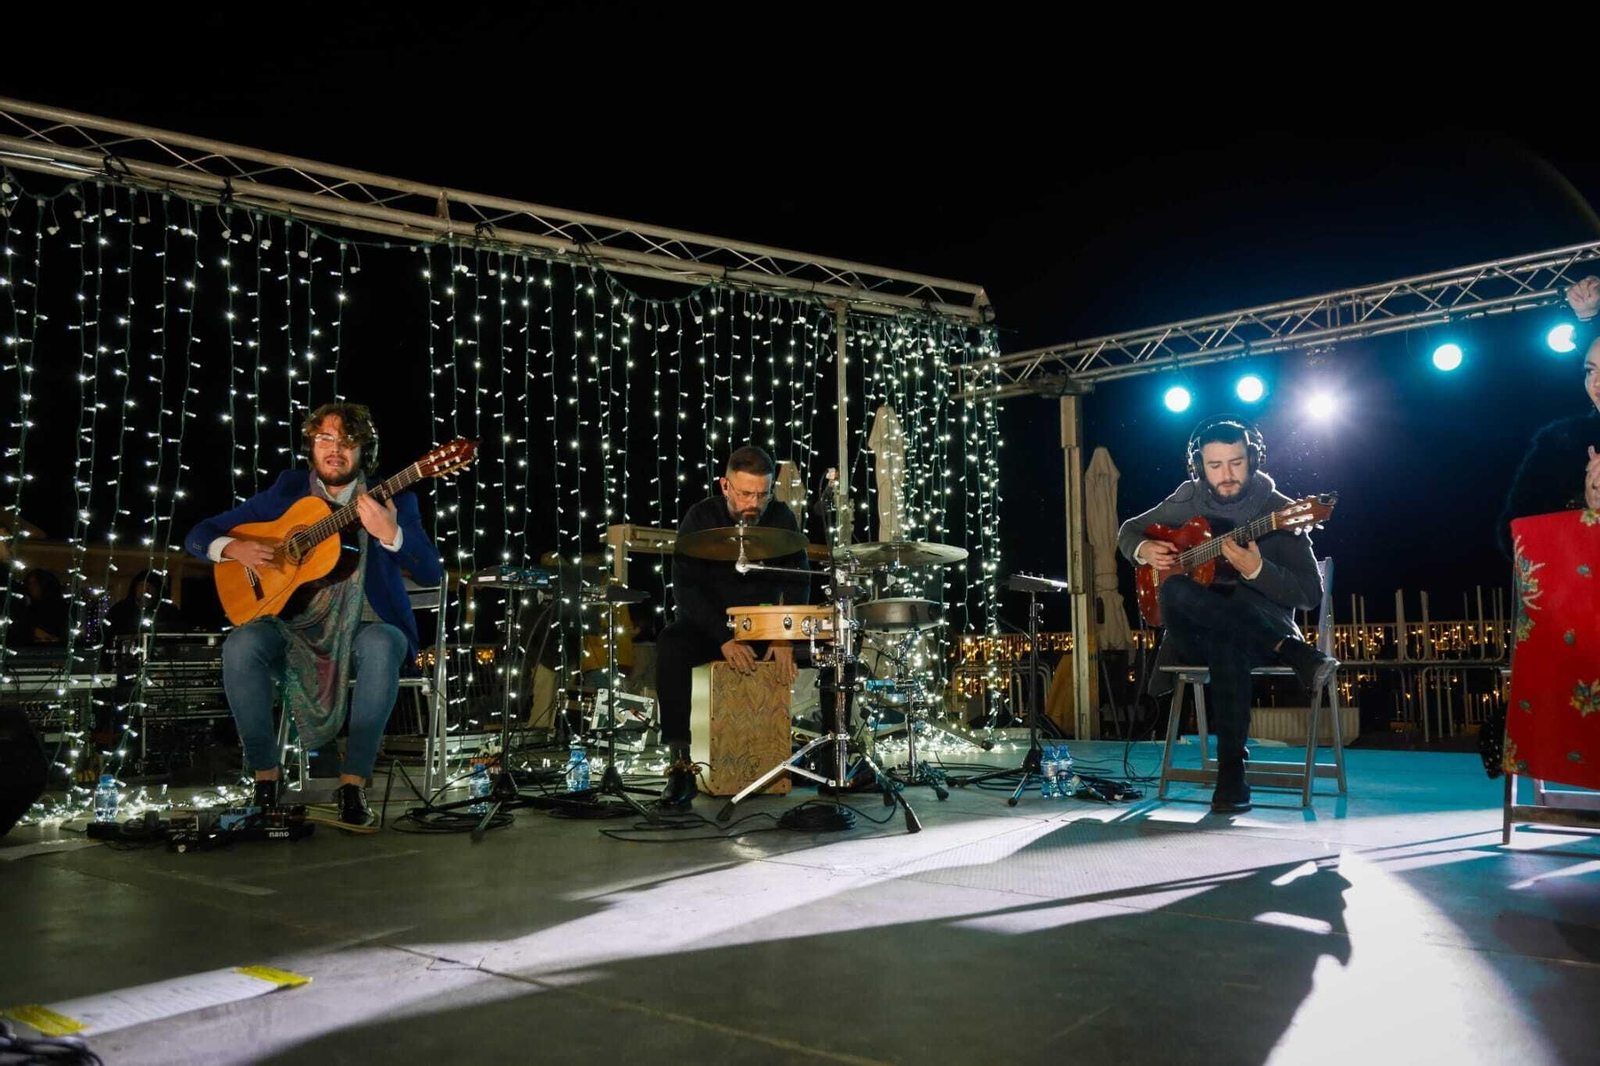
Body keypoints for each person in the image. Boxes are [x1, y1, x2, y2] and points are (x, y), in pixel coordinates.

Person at [183, 402, 442, 829]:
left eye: (348, 442)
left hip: (365, 623)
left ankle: (353, 782)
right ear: (311, 446)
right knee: (241, 644)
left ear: (364, 451)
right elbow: (199, 535)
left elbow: (431, 571)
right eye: (325, 439)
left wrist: (390, 534)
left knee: (384, 645)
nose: (335, 450)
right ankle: (265, 776)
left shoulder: (395, 497)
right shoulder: (286, 490)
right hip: (291, 622)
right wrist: (233, 548)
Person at [1118, 416, 1336, 813]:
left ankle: (1231, 777)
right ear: (1198, 465)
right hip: (1189, 636)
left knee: (1227, 639)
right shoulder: (1187, 498)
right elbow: (1129, 530)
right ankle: (1292, 651)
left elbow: (1309, 593)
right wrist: (1145, 550)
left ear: (1252, 459)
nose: (1226, 474)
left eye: (1235, 462)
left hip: (1251, 637)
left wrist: (1257, 570)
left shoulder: (1279, 511)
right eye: (1214, 465)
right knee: (1176, 586)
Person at [655, 445, 809, 808]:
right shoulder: (699, 517)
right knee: (670, 645)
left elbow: (799, 580)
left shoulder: (782, 516)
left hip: (766, 632)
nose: (754, 503)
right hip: (711, 630)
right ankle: (680, 764)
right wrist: (723, 639)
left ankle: (839, 758)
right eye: (745, 494)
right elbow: (685, 590)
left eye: (762, 494)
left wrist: (783, 637)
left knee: (838, 647)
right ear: (725, 485)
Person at [106, 569, 180, 638]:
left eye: (150, 586)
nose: (146, 590)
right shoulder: (120, 610)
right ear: (135, 587)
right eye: (142, 585)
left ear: (157, 590)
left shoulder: (169, 611)